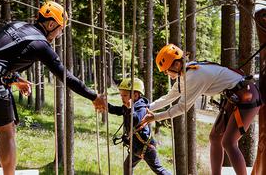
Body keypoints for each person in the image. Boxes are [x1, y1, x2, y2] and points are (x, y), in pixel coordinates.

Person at [0, 1, 106, 175]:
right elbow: (65, 76)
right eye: (60, 29)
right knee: (7, 131)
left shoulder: (16, 25)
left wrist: (15, 79)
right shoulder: (40, 44)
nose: (59, 34)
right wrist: (93, 96)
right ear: (51, 24)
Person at [139, 44, 262, 175]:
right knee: (215, 138)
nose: (166, 74)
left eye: (166, 70)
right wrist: (146, 107)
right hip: (235, 96)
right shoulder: (186, 73)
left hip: (247, 96)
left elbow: (181, 108)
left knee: (228, 142)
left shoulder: (194, 76)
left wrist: (155, 117)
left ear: (175, 65)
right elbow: (169, 97)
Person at [108, 78, 171, 175]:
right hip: (136, 147)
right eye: (121, 95)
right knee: (127, 165)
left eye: (124, 95)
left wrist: (129, 109)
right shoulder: (129, 106)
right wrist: (105, 105)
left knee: (158, 170)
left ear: (136, 95)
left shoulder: (141, 107)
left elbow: (135, 120)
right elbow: (116, 110)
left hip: (146, 147)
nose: (122, 98)